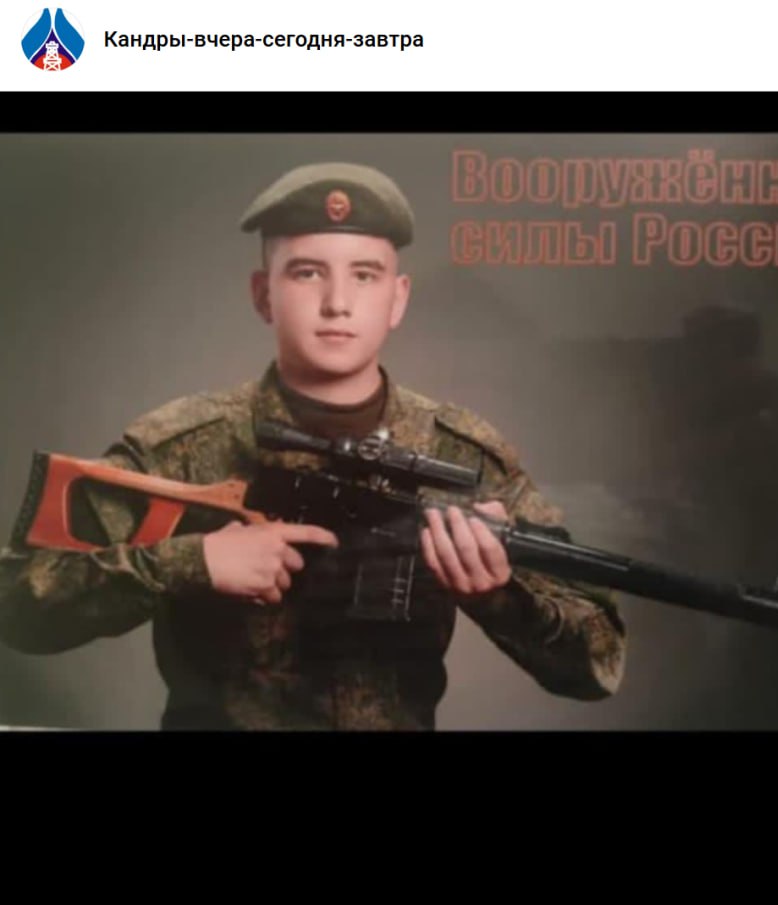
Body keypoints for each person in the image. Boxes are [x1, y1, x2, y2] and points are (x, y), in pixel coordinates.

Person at [0, 161, 626, 730]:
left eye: (365, 275)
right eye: (306, 272)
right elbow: (17, 606)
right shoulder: (184, 446)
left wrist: (496, 597)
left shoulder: (462, 460)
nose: (337, 303)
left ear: (397, 299)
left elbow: (599, 664)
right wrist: (192, 563)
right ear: (262, 294)